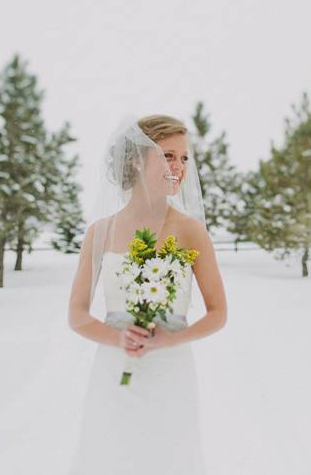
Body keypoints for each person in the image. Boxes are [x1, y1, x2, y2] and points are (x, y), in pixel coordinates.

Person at [67, 114, 227, 474]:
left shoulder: (191, 231)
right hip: (114, 373)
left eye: (184, 158)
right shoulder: (101, 233)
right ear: (138, 159)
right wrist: (118, 336)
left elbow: (219, 313)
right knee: (112, 456)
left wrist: (169, 341)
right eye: (168, 156)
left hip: (172, 373)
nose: (179, 167)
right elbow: (76, 314)